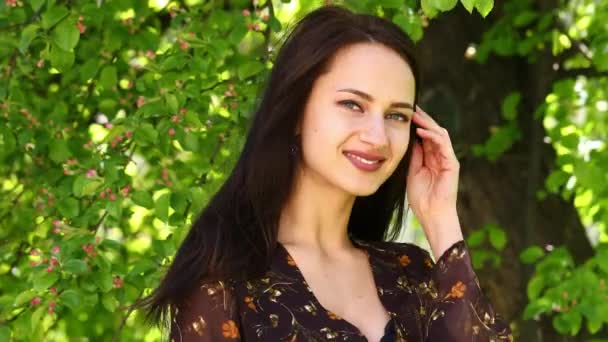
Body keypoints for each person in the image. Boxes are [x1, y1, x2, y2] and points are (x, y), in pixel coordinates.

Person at [136, 5, 514, 342]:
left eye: (396, 115)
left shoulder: (411, 273)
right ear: (296, 111)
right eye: (353, 104)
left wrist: (441, 220)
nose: (377, 136)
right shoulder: (225, 286)